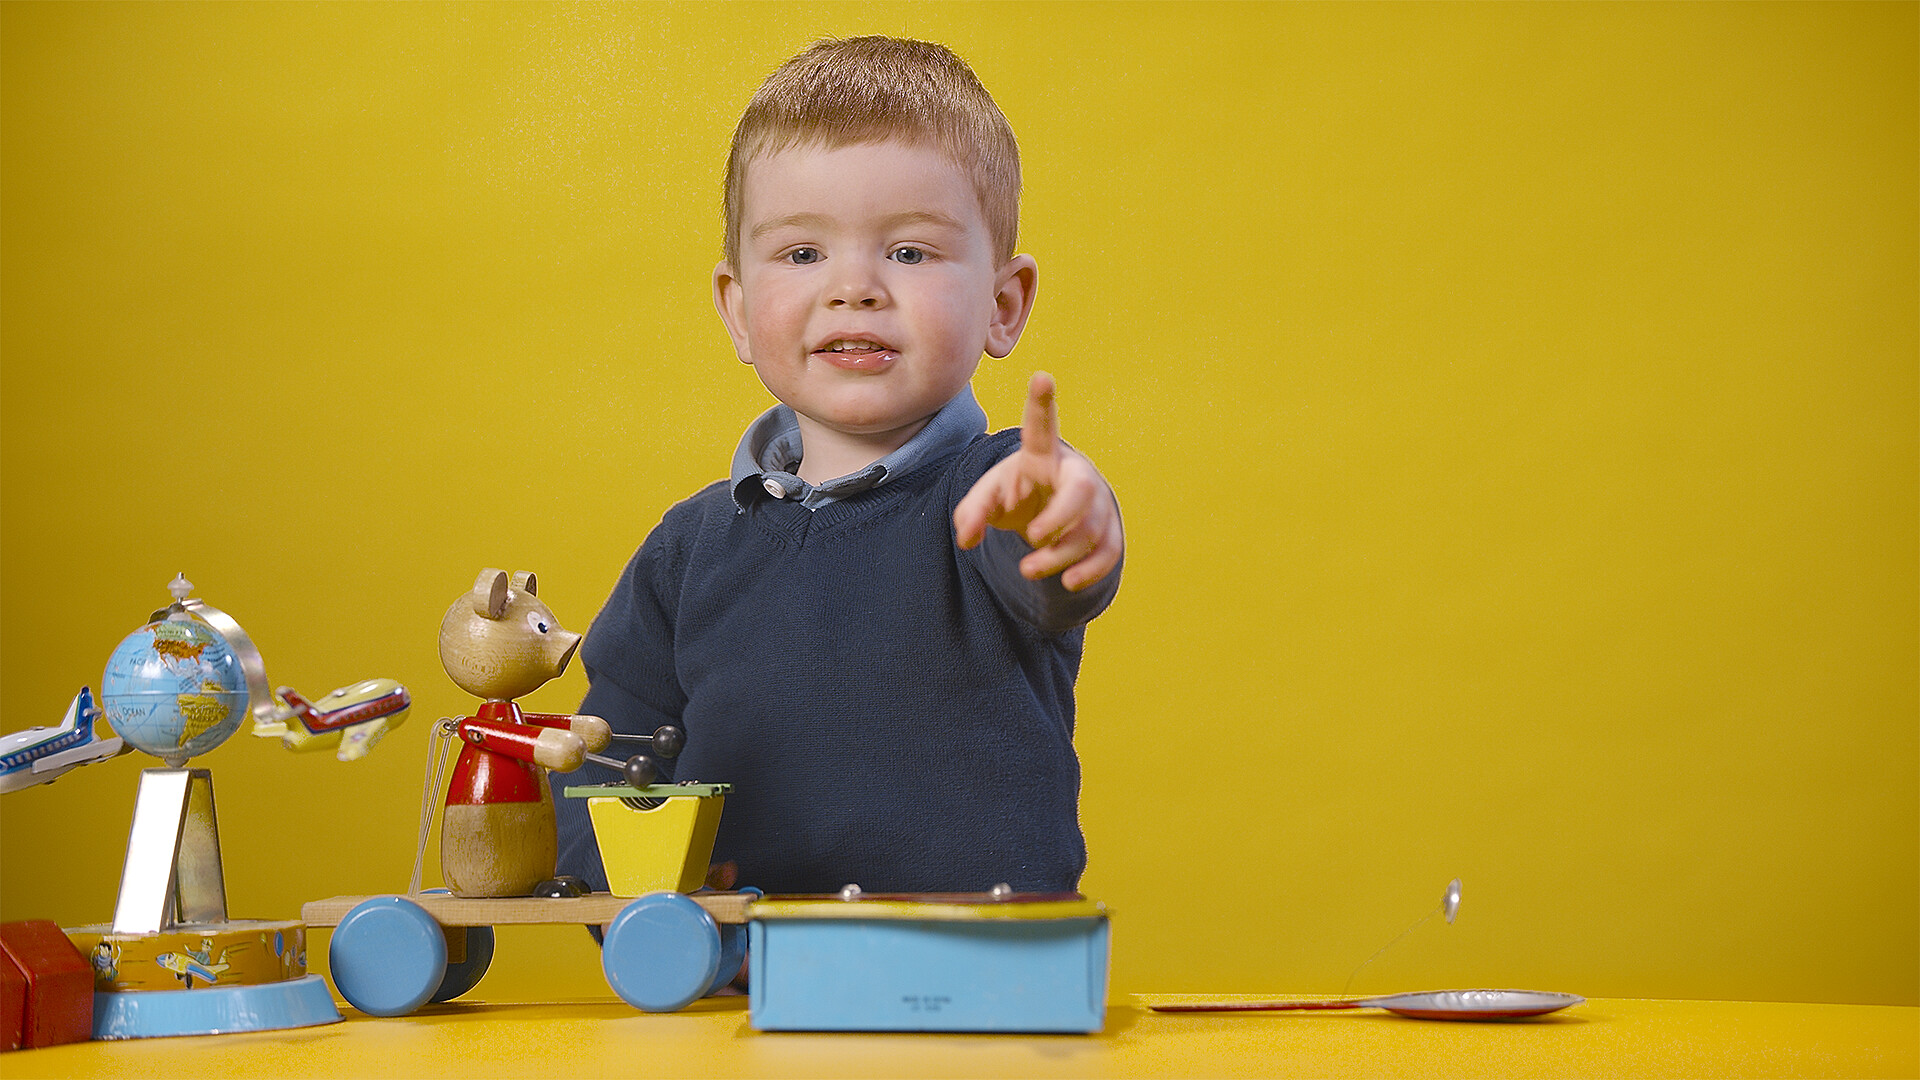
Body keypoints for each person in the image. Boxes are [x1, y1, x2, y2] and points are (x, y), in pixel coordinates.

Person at [554, 35, 1123, 897]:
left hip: (978, 961)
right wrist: (631, 899)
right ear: (738, 311)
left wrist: (1062, 520)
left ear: (1002, 305)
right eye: (803, 253)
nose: (854, 287)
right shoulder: (685, 552)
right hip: (741, 968)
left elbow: (1051, 566)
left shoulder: (999, 494)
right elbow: (601, 757)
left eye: (910, 252)